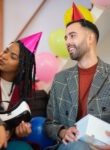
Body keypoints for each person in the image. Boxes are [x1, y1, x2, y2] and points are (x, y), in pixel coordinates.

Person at [44, 19, 110, 150]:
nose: (67, 42)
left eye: (72, 36)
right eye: (66, 38)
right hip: (71, 145)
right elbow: (50, 124)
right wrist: (63, 132)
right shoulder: (60, 79)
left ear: (90, 38)